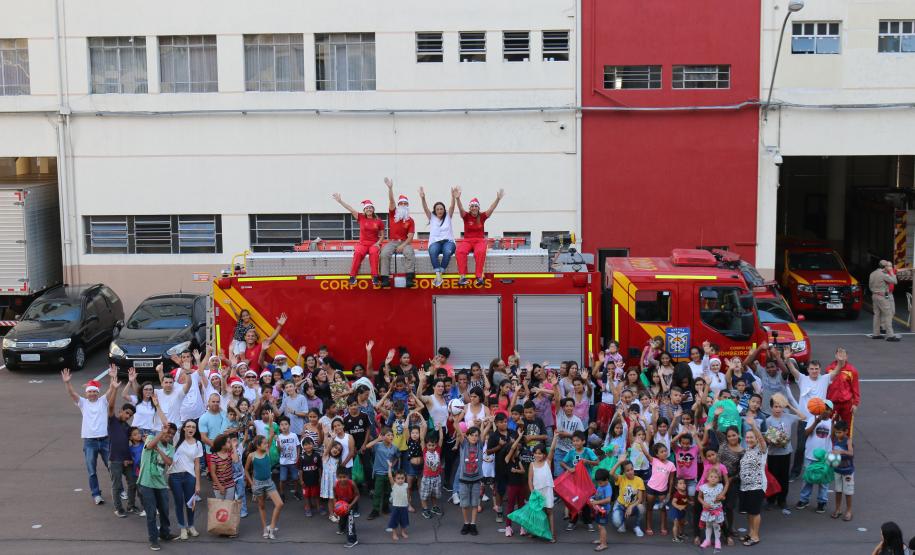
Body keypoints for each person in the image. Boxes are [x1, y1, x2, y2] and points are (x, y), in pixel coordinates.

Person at [62, 365, 118, 505]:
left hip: (105, 440)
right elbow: (72, 394)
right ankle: (96, 494)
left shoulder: (103, 401)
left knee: (112, 467)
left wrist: (112, 377)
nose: (92, 393)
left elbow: (111, 389)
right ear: (86, 393)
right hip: (89, 442)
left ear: (98, 393)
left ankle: (119, 490)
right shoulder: (83, 403)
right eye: (90, 392)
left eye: (94, 391)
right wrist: (67, 382)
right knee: (92, 471)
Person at [138, 423, 178, 550]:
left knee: (165, 511)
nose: (170, 435)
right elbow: (149, 446)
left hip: (161, 484)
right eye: (168, 432)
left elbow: (169, 462)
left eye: (172, 434)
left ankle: (165, 533)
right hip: (146, 482)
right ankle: (153, 539)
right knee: (151, 513)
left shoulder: (171, 448)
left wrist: (159, 450)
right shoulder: (151, 438)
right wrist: (162, 432)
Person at [454, 187, 504, 286]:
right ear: (470, 208)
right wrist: (457, 199)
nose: (474, 208)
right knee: (460, 251)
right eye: (472, 206)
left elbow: (491, 208)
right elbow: (460, 208)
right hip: (467, 240)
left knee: (480, 252)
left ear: (478, 208)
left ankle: (479, 277)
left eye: (475, 206)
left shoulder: (482, 216)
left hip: (480, 240)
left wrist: (497, 199)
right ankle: (462, 277)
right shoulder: (466, 216)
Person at [333, 192, 384, 286]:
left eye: (370, 208)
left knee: (374, 254)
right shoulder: (360, 217)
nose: (369, 209)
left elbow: (382, 235)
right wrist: (340, 201)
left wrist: (378, 243)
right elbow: (350, 209)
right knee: (357, 253)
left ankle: (375, 277)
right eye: (367, 208)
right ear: (364, 210)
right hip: (363, 243)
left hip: (374, 243)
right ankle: (352, 277)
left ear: (373, 209)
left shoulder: (379, 221)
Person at [453, 414, 492, 535]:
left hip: (476, 480)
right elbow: (457, 428)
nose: (474, 438)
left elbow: (484, 432)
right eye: (472, 435)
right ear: (467, 436)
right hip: (464, 480)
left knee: (475, 503)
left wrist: (489, 422)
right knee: (464, 504)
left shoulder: (480, 445)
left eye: (476, 436)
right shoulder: (464, 445)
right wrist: (457, 419)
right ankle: (466, 523)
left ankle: (473, 524)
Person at [796, 399, 834, 513]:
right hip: (810, 455)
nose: (825, 411)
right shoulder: (812, 418)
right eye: (823, 408)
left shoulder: (832, 422)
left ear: (831, 411)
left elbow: (833, 438)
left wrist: (833, 424)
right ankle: (804, 499)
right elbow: (806, 433)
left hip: (825, 457)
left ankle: (822, 501)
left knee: (824, 481)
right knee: (808, 479)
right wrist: (816, 422)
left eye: (827, 409)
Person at [244, 434, 285, 540]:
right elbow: (246, 470)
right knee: (261, 506)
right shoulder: (251, 456)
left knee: (279, 504)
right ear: (258, 446)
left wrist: (271, 421)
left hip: (269, 482)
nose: (267, 445)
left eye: (267, 443)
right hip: (257, 484)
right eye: (264, 443)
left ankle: (271, 526)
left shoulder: (267, 452)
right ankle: (264, 529)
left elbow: (271, 433)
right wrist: (251, 483)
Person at [168, 420, 203, 540]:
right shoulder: (177, 438)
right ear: (183, 428)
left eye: (193, 427)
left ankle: (191, 526)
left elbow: (197, 465)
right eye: (188, 426)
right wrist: (157, 406)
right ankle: (182, 527)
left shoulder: (198, 444)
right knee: (178, 503)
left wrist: (198, 483)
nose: (191, 428)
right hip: (175, 476)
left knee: (191, 503)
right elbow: (166, 425)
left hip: (190, 476)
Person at [379, 177, 416, 288]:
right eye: (401, 203)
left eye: (405, 203)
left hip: (405, 242)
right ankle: (385, 279)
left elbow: (410, 237)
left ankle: (409, 279)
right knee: (384, 254)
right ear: (398, 205)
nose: (403, 205)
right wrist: (390, 188)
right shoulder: (393, 215)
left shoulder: (410, 220)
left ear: (407, 205)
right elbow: (391, 201)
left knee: (409, 253)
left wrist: (403, 245)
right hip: (392, 242)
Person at [419, 186, 457, 287]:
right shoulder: (432, 217)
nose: (440, 210)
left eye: (441, 209)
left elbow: (452, 206)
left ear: (444, 210)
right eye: (437, 209)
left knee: (447, 252)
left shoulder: (448, 216)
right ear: (435, 211)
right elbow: (425, 208)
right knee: (432, 252)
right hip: (435, 242)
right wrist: (423, 198)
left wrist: (453, 197)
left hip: (448, 242)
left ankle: (440, 273)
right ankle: (438, 274)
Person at [738, 417, 767, 546]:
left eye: (752, 437)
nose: (749, 439)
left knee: (755, 512)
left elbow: (761, 439)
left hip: (757, 485)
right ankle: (750, 533)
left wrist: (753, 426)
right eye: (747, 437)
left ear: (756, 439)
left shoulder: (761, 450)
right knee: (750, 512)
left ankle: (755, 536)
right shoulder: (747, 450)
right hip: (745, 487)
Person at [108, 398, 137, 518]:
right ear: (120, 411)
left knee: (132, 482)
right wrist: (114, 388)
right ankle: (119, 509)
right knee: (117, 485)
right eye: (126, 413)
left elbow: (133, 440)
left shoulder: (127, 427)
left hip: (127, 459)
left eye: (130, 415)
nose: (128, 416)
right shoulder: (112, 421)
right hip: (114, 459)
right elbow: (110, 407)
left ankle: (131, 506)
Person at [529, 434, 560, 542]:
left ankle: (552, 534)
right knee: (539, 512)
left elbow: (552, 449)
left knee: (549, 511)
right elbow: (530, 479)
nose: (538, 455)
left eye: (540, 453)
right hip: (537, 491)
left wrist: (555, 437)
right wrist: (532, 492)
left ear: (544, 455)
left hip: (548, 490)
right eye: (536, 453)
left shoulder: (548, 462)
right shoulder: (532, 464)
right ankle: (536, 531)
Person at [365, 427, 400, 519]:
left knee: (387, 492)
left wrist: (393, 464)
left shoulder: (394, 447)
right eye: (388, 435)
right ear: (383, 436)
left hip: (389, 473)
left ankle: (385, 507)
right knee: (377, 492)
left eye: (392, 435)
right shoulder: (378, 445)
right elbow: (367, 446)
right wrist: (378, 439)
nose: (391, 436)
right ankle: (375, 510)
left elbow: (397, 457)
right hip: (379, 473)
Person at [608, 453, 645, 537]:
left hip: (632, 505)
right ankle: (622, 522)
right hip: (620, 505)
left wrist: (631, 506)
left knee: (641, 508)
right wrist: (619, 462)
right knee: (617, 523)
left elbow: (640, 499)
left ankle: (636, 526)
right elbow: (611, 473)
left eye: (631, 469)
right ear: (624, 472)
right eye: (627, 470)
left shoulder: (639, 480)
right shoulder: (621, 478)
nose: (630, 472)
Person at [826, 348, 861, 431]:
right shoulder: (830, 369)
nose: (841, 356)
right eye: (839, 354)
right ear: (835, 356)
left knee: (847, 425)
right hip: (832, 403)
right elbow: (826, 386)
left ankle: (848, 442)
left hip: (847, 403)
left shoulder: (852, 370)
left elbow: (855, 388)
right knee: (831, 424)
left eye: (843, 354)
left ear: (847, 357)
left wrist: (855, 404)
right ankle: (832, 443)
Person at [869, 259, 900, 341]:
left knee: (877, 315)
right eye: (888, 266)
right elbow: (894, 281)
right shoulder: (883, 274)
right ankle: (890, 335)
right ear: (885, 267)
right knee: (888, 314)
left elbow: (870, 286)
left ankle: (876, 334)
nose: (889, 267)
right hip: (882, 296)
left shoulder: (872, 273)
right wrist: (892, 273)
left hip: (874, 295)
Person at [831, 420, 855, 521]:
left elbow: (851, 453)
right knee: (838, 491)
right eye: (836, 432)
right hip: (837, 469)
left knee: (848, 492)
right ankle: (838, 509)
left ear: (846, 431)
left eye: (840, 432)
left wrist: (840, 451)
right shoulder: (835, 440)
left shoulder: (848, 441)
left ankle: (849, 511)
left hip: (847, 471)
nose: (837, 434)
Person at [698, 467, 725, 551]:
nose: (713, 478)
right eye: (711, 476)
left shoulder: (720, 486)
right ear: (707, 478)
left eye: (715, 477)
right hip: (707, 511)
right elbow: (699, 497)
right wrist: (704, 503)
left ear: (719, 479)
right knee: (708, 525)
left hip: (717, 510)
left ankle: (717, 540)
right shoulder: (703, 487)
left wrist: (722, 498)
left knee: (716, 526)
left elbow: (723, 496)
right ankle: (707, 540)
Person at [334, 466, 360, 548]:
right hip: (341, 504)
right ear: (337, 477)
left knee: (350, 522)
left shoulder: (352, 483)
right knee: (342, 518)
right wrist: (336, 506)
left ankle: (352, 540)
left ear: (348, 476)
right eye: (340, 477)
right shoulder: (335, 485)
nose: (342, 479)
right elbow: (335, 497)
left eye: (344, 477)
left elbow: (357, 495)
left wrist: (350, 505)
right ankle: (342, 529)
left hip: (351, 503)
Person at [591, 468, 614, 551]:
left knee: (602, 526)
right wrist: (593, 498)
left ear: (606, 480)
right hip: (599, 509)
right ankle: (601, 540)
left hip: (604, 510)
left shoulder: (607, 487)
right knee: (599, 525)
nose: (599, 484)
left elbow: (608, 499)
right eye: (598, 482)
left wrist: (596, 502)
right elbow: (597, 494)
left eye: (600, 482)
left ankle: (604, 544)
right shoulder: (601, 485)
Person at [386, 461, 411, 541]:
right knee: (394, 521)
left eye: (402, 478)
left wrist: (409, 502)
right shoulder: (394, 485)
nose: (400, 480)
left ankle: (403, 532)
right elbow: (389, 476)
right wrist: (390, 467)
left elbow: (407, 494)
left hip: (404, 506)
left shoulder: (406, 485)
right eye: (398, 478)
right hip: (396, 507)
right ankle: (394, 534)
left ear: (405, 478)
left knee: (404, 521)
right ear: (395, 479)